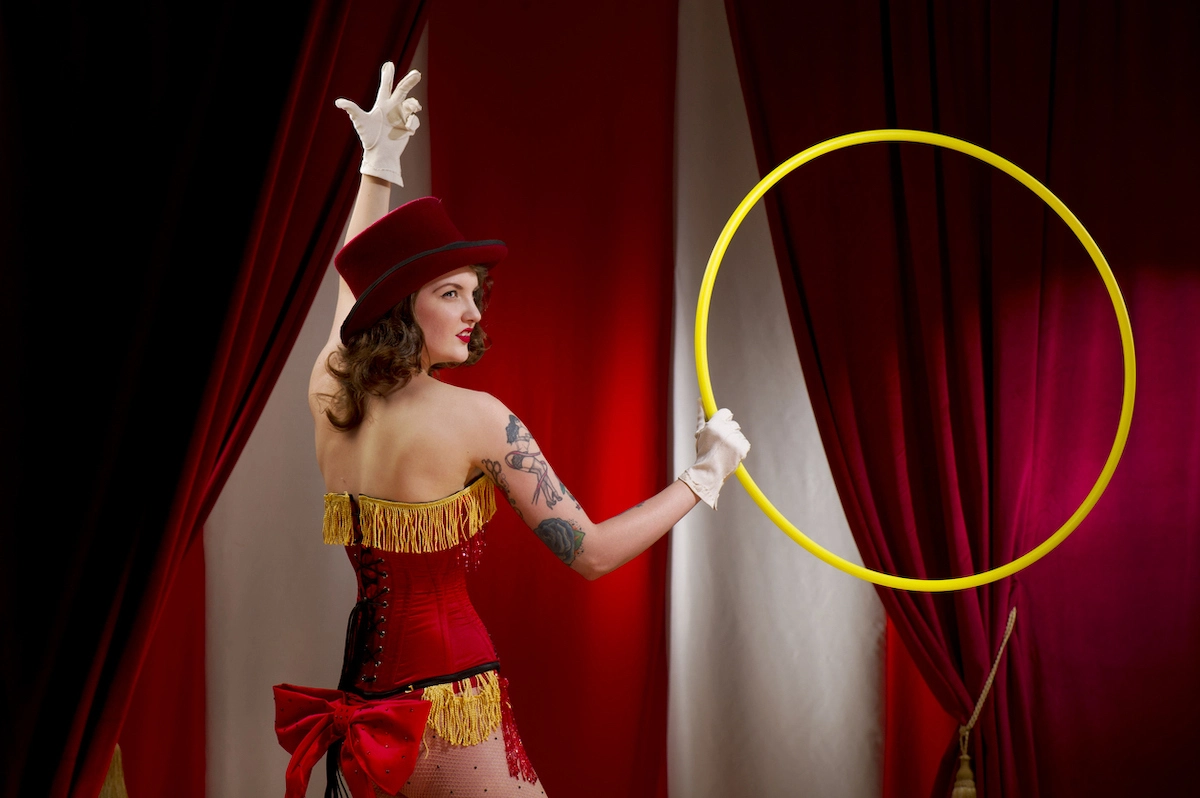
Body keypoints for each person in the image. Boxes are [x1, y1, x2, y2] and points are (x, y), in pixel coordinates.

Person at [272, 63, 751, 798]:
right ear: (401, 305)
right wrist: (705, 478)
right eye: (450, 292)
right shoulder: (477, 418)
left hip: (366, 708)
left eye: (475, 293)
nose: (474, 313)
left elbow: (351, 287)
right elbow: (589, 555)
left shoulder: (329, 386)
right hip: (453, 706)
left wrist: (377, 168)